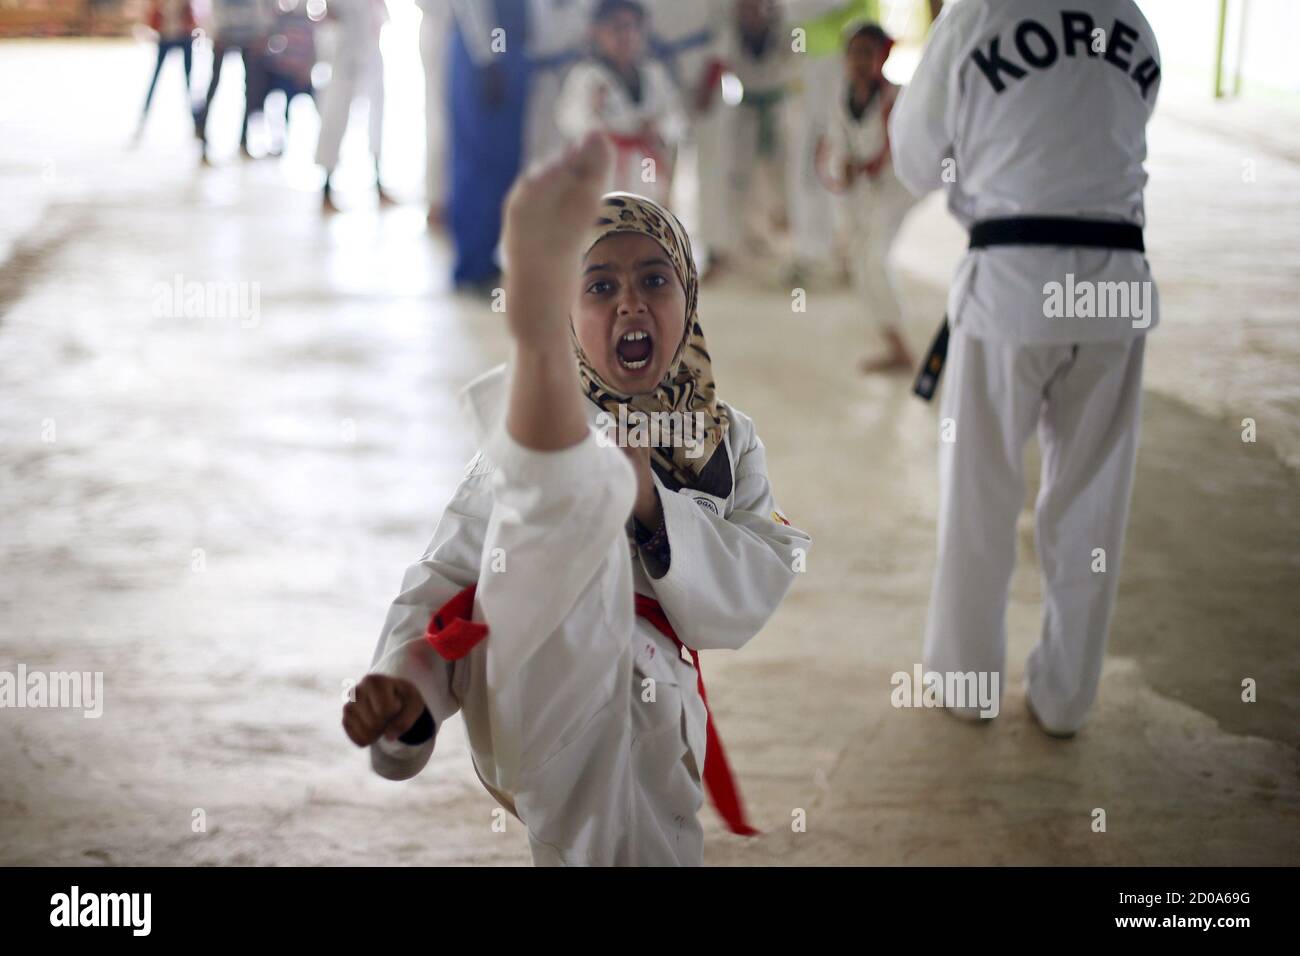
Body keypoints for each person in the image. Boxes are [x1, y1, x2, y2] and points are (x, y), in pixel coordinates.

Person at [343, 133, 811, 865]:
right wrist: (409, 682)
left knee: (635, 845)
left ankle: (560, 466)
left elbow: (759, 574)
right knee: (551, 511)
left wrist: (652, 503)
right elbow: (452, 575)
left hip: (659, 710)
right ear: (566, 313)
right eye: (598, 286)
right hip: (546, 666)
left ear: (689, 296)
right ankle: (547, 418)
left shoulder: (726, 441)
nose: (631, 302)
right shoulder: (531, 438)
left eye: (656, 280)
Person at [890, 0, 1161, 736]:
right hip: (1115, 282)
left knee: (980, 492)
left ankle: (969, 684)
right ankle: (1067, 698)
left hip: (1014, 282)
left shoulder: (979, 15)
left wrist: (977, 176)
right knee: (1092, 501)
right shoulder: (1132, 21)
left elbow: (914, 158)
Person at [824, 21, 916, 373]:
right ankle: (895, 344)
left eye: (867, 52)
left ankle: (901, 348)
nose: (859, 61)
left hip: (897, 189)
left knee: (875, 259)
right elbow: (840, 152)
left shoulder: (900, 99)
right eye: (853, 53)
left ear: (883, 56)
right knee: (861, 265)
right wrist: (843, 168)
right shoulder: (840, 100)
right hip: (865, 194)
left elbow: (911, 151)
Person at [556, 0, 686, 206]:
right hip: (604, 168)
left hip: (647, 165)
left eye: (633, 27)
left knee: (648, 223)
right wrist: (593, 112)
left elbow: (676, 118)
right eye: (616, 27)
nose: (626, 35)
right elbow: (569, 122)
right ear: (598, 32)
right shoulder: (586, 76)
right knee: (606, 227)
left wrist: (659, 129)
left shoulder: (654, 73)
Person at [446, 0, 531, 292]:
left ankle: (489, 258)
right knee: (478, 161)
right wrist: (487, 59)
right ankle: (472, 266)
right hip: (484, 55)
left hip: (512, 50)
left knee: (505, 162)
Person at [713, 0, 796, 266]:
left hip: (778, 110)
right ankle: (749, 240)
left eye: (756, 5)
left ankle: (786, 236)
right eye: (745, 7)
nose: (751, 11)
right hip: (745, 112)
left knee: (783, 175)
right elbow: (719, 64)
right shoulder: (729, 36)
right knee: (742, 178)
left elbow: (797, 63)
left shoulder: (785, 33)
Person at [314, 0, 392, 212]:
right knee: (336, 114)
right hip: (344, 45)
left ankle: (378, 181)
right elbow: (328, 12)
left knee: (377, 114)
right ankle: (326, 188)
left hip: (369, 42)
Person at [198, 0, 271, 162]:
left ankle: (244, 140)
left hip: (248, 37)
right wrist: (215, 32)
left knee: (250, 88)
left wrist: (260, 33)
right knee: (214, 86)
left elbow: (258, 7)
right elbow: (214, 8)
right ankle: (203, 137)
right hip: (223, 36)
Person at [245, 0, 318, 158]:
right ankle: (276, 140)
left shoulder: (309, 22)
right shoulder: (281, 19)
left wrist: (305, 71)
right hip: (280, 71)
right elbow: (269, 40)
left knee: (291, 108)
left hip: (296, 75)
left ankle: (289, 143)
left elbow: (313, 50)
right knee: (272, 105)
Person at [136, 0, 199, 141]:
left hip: (184, 36)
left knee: (190, 81)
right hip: (166, 36)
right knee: (155, 78)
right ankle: (143, 119)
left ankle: (197, 123)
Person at [418, 0, 453, 226]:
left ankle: (440, 198)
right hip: (442, 27)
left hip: (447, 26)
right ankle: (437, 200)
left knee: (443, 117)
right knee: (441, 117)